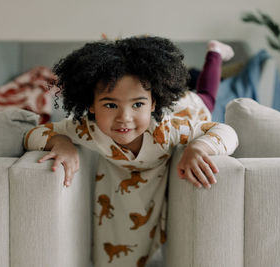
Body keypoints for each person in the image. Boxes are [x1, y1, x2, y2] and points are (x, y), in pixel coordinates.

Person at [23, 36, 238, 267]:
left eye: (137, 104)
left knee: (206, 100)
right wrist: (60, 142)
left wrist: (199, 147)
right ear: (91, 106)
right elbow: (32, 134)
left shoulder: (168, 131)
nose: (124, 118)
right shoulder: (87, 128)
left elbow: (228, 132)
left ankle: (215, 53)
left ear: (153, 102)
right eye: (110, 105)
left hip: (182, 112)